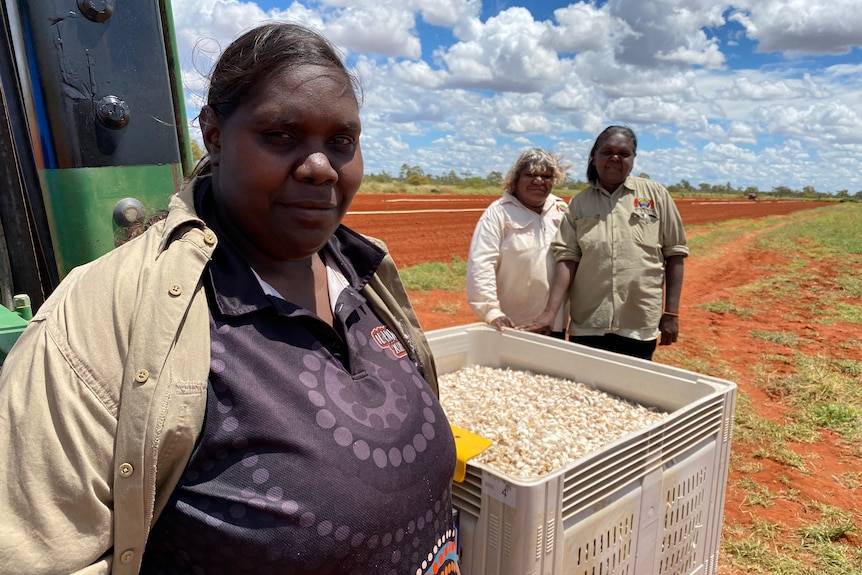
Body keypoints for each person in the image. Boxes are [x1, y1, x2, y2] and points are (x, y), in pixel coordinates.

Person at [0, 22, 461, 575]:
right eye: (281, 135)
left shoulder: (363, 272)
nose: (320, 167)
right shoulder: (100, 321)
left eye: (341, 142)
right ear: (214, 137)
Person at [521, 125, 688, 360]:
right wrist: (549, 313)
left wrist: (671, 313)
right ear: (594, 156)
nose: (615, 158)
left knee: (632, 391)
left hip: (638, 323)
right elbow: (567, 259)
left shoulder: (655, 195)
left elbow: (675, 254)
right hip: (589, 324)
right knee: (587, 392)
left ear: (633, 159)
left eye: (624, 153)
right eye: (607, 152)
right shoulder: (579, 203)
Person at [466, 148, 570, 338]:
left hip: (553, 321)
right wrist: (492, 312)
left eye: (546, 176)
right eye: (530, 175)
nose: (538, 181)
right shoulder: (498, 212)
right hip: (511, 324)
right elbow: (481, 263)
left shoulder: (561, 209)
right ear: (516, 180)